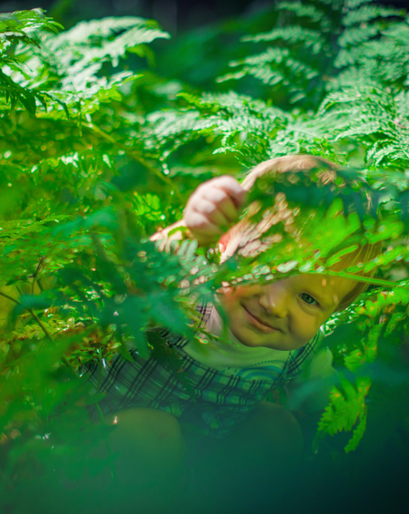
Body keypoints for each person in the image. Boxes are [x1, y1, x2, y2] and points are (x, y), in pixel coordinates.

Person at [79, 155, 381, 512]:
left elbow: (329, 405)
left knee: (278, 430)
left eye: (308, 298)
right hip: (105, 448)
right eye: (265, 266)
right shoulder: (186, 288)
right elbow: (136, 276)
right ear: (224, 239)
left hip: (204, 462)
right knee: (149, 432)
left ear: (336, 309)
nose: (275, 305)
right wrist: (189, 231)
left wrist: (354, 445)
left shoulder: (301, 349)